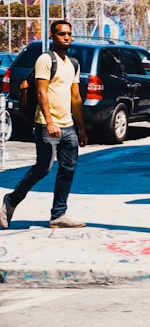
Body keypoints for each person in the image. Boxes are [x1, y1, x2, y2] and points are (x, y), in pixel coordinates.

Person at [1, 20, 87, 229]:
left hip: (68, 125)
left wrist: (82, 128)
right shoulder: (45, 60)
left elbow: (75, 97)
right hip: (47, 124)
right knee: (42, 168)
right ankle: (10, 201)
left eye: (68, 34)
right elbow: (41, 93)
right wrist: (49, 122)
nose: (66, 37)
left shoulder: (73, 63)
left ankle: (58, 214)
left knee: (68, 169)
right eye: (61, 34)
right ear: (52, 36)